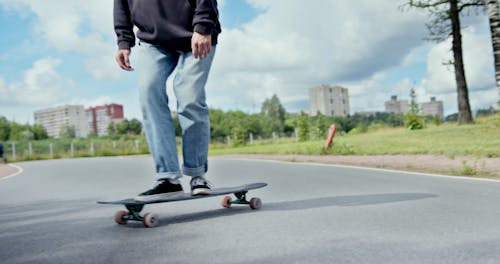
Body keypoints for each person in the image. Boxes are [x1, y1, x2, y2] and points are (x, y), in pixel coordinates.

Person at [113, 0, 221, 201]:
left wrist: (203, 26)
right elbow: (121, 6)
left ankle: (197, 175)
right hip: (153, 41)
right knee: (148, 92)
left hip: (196, 34)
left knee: (189, 97)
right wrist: (123, 42)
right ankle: (168, 178)